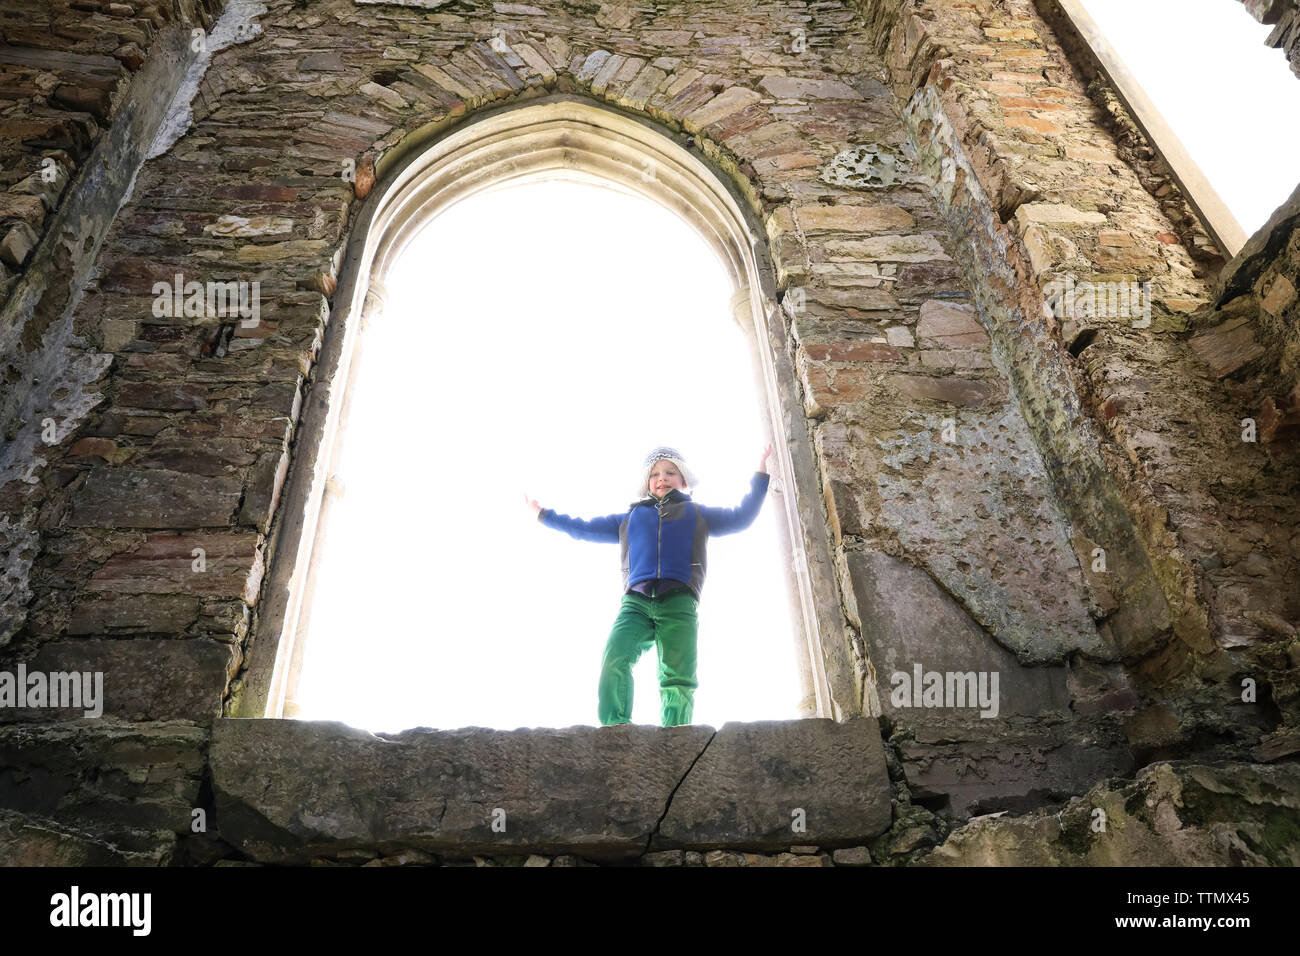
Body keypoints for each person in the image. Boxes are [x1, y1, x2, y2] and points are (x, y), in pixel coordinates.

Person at [524, 445, 772, 727]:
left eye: (670, 472)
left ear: (684, 481)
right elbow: (584, 527)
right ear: (647, 482)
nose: (662, 478)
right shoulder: (630, 519)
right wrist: (544, 515)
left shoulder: (696, 514)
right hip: (636, 603)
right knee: (615, 658)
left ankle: (677, 735)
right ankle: (616, 728)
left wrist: (761, 475)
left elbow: (741, 516)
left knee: (678, 675)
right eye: (655, 474)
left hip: (679, 601)